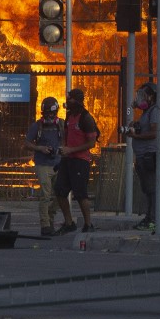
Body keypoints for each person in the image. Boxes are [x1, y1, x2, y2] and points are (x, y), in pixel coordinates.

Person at [53, 88, 99, 234]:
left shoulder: (86, 118)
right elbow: (67, 136)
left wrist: (71, 150)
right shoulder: (69, 116)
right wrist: (64, 148)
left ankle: (88, 224)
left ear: (78, 101)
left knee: (80, 194)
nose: (68, 101)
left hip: (81, 161)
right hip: (67, 160)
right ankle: (69, 222)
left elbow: (92, 143)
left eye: (71, 99)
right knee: (60, 191)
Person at [23, 96, 63, 236]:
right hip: (42, 164)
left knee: (61, 194)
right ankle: (45, 225)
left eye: (51, 113)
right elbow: (26, 143)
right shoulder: (36, 126)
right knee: (45, 195)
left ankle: (51, 217)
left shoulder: (62, 125)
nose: (49, 116)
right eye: (46, 113)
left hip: (58, 164)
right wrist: (40, 148)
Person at [128, 81, 160, 232]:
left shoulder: (155, 111)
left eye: (143, 96)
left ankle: (153, 219)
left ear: (151, 97)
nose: (140, 99)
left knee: (152, 188)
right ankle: (150, 217)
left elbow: (155, 133)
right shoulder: (146, 113)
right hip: (142, 156)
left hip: (149, 156)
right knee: (147, 189)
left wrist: (137, 135)